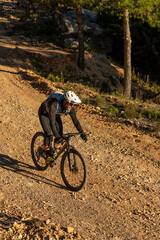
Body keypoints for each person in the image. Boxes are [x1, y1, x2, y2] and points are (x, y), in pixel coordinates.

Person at [38, 90, 87, 156]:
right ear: (65, 101)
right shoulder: (54, 104)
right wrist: (57, 136)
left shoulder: (70, 107)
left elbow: (75, 121)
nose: (72, 106)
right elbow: (52, 123)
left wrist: (82, 132)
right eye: (71, 104)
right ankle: (45, 152)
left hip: (56, 115)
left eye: (73, 105)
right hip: (44, 114)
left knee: (60, 133)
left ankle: (54, 151)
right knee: (48, 133)